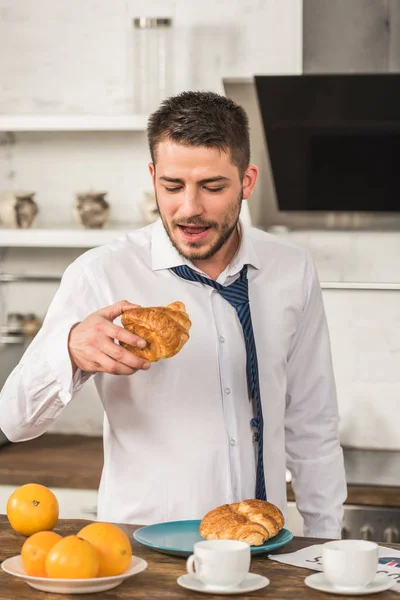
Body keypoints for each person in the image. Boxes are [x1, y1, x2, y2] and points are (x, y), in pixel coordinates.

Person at [0, 91, 346, 537]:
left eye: (213, 187)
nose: (189, 209)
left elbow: (312, 420)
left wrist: (325, 542)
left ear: (247, 181)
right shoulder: (101, 271)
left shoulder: (291, 268)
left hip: (261, 550)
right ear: (152, 176)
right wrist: (67, 349)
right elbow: (14, 421)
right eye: (172, 186)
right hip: (141, 551)